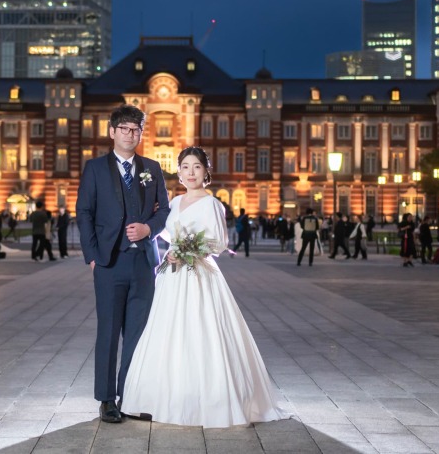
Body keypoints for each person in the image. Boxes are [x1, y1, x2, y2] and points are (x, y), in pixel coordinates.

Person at [122, 147, 292, 427]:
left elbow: (219, 243)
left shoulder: (212, 203)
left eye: (196, 167)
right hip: (173, 275)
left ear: (206, 172)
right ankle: (164, 397)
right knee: (169, 331)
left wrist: (188, 249)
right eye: (185, 167)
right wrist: (169, 242)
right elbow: (166, 232)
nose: (191, 173)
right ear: (178, 172)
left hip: (199, 273)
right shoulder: (174, 202)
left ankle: (210, 399)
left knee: (201, 329)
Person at [75, 104, 170, 424]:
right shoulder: (95, 169)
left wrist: (149, 229)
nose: (132, 135)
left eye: (137, 130)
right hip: (109, 263)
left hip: (144, 262)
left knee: (138, 333)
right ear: (112, 132)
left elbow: (164, 212)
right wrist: (91, 257)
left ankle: (131, 394)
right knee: (108, 331)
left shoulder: (152, 168)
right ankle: (106, 399)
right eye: (126, 129)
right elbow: (84, 213)